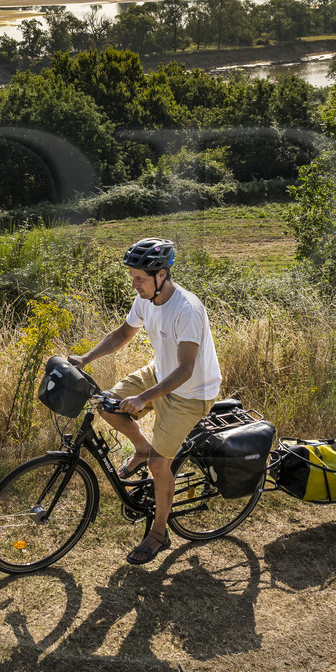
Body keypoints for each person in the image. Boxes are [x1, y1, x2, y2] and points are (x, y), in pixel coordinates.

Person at [69, 238, 222, 565]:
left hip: (192, 391)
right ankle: (140, 446)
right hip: (160, 372)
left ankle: (158, 532)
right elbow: (122, 334)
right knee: (104, 403)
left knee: (158, 464)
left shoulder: (187, 309)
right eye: (132, 277)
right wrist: (86, 358)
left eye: (139, 278)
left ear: (162, 275)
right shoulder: (146, 298)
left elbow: (185, 370)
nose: (134, 284)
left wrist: (142, 399)